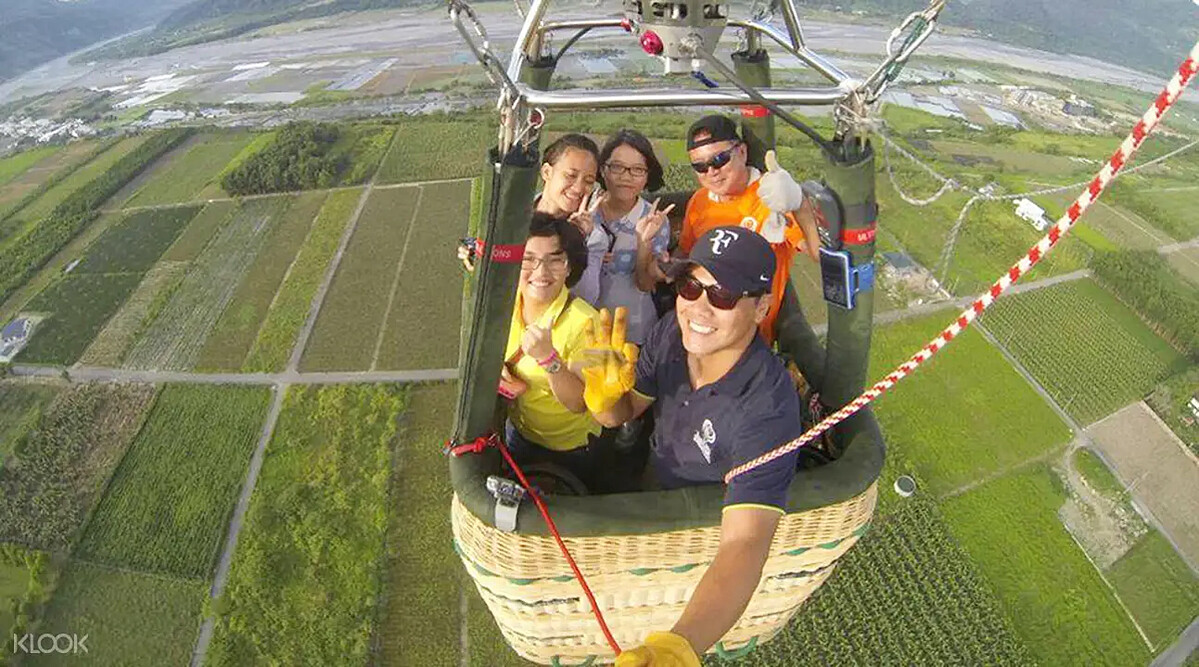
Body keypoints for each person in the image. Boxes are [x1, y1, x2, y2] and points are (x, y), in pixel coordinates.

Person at [580, 226, 805, 666]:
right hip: (651, 480)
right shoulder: (671, 333)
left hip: (695, 535)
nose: (698, 307)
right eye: (690, 286)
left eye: (722, 295)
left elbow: (745, 543)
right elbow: (626, 411)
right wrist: (603, 401)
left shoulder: (767, 409)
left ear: (761, 307)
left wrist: (677, 647)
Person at [679, 115, 821, 345]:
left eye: (720, 159)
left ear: (742, 152)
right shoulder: (699, 201)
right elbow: (686, 252)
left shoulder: (773, 195)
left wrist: (800, 205)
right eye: (700, 166)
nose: (711, 171)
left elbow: (818, 253)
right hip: (703, 326)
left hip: (751, 339)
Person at [501, 212, 610, 491]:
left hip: (569, 449)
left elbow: (579, 403)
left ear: (570, 267)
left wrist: (548, 359)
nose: (541, 272)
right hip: (519, 433)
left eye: (555, 260)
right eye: (528, 259)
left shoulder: (587, 323)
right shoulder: (504, 305)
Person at [592, 129, 674, 346]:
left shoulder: (655, 220)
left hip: (632, 331)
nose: (626, 177)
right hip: (581, 327)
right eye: (617, 167)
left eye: (637, 170)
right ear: (602, 169)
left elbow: (645, 284)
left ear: (647, 176)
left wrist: (643, 242)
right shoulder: (584, 211)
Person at [535, 133, 609, 305]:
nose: (578, 188)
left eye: (588, 181)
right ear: (547, 172)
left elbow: (585, 297)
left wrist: (576, 240)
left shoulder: (594, 236)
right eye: (570, 175)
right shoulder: (516, 216)